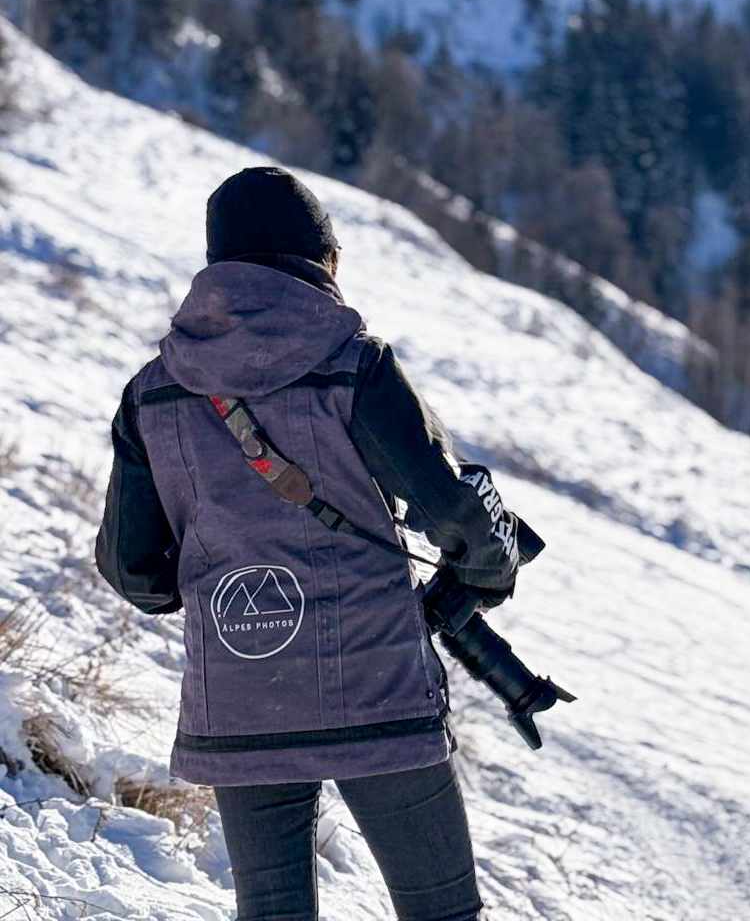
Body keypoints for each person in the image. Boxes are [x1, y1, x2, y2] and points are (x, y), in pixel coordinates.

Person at [95, 165, 522, 921]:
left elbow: (133, 570)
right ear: (322, 259)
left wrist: (202, 585)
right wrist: (485, 574)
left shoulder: (151, 393)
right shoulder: (355, 365)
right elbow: (451, 509)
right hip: (378, 692)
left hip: (241, 693)